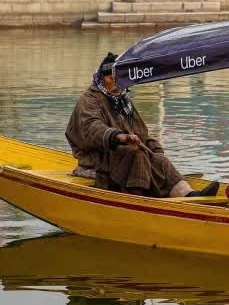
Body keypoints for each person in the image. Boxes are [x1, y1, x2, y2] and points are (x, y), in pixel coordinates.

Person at [66, 53, 219, 198]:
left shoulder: (123, 101)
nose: (114, 81)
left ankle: (190, 195)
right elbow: (92, 128)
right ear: (101, 77)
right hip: (98, 159)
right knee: (136, 154)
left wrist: (155, 148)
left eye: (119, 77)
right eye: (109, 77)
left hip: (123, 155)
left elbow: (141, 132)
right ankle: (138, 198)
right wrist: (120, 137)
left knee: (159, 160)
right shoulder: (89, 100)